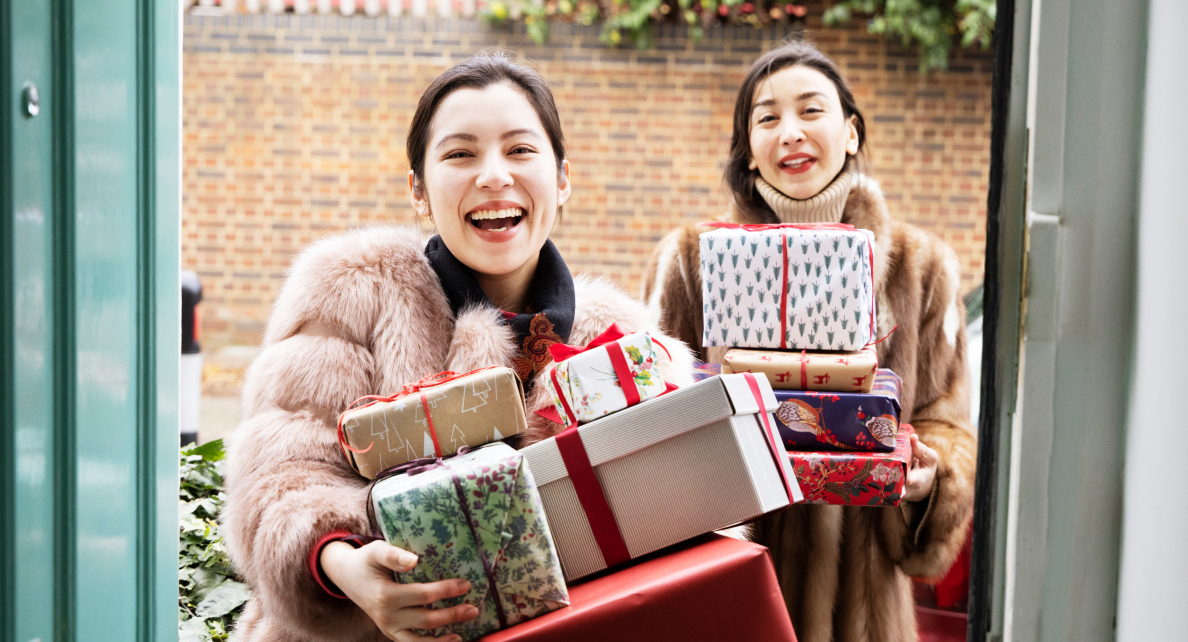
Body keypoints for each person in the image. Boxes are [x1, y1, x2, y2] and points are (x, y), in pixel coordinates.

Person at [222, 52, 695, 642]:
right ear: (419, 191)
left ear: (563, 178)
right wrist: (344, 567)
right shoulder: (352, 289)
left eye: (520, 150)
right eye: (460, 153)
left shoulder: (622, 338)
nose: (494, 175)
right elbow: (277, 479)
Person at [641, 41, 977, 642]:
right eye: (767, 118)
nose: (790, 132)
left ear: (850, 133)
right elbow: (653, 426)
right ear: (748, 150)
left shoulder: (921, 270)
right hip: (730, 598)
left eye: (811, 111)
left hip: (867, 615)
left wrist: (929, 479)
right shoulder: (691, 263)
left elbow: (946, 427)